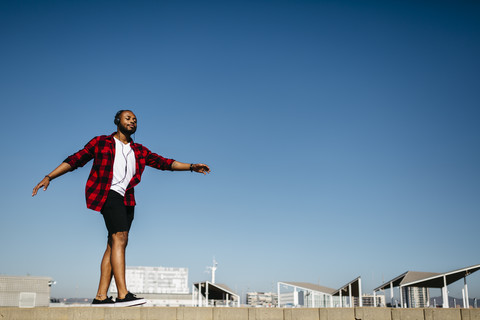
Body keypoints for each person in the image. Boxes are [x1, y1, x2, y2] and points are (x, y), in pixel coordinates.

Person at [32, 110, 210, 307]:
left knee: (114, 243)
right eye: (128, 118)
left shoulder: (139, 150)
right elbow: (75, 160)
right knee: (120, 238)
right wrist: (49, 176)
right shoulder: (101, 142)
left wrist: (192, 166)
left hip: (127, 200)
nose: (132, 121)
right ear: (117, 121)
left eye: (135, 120)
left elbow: (165, 163)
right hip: (108, 193)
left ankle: (101, 296)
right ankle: (123, 294)